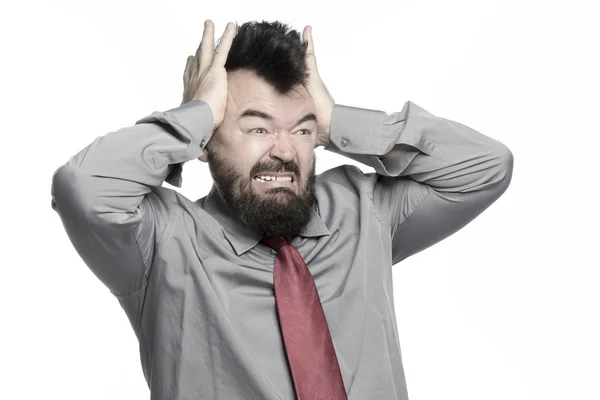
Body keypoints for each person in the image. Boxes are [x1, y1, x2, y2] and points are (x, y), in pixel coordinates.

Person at [51, 19, 514, 400]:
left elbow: (486, 167)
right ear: (206, 142)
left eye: (301, 130)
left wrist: (335, 121)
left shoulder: (363, 210)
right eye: (256, 129)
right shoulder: (163, 242)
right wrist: (194, 116)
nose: (284, 151)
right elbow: (81, 188)